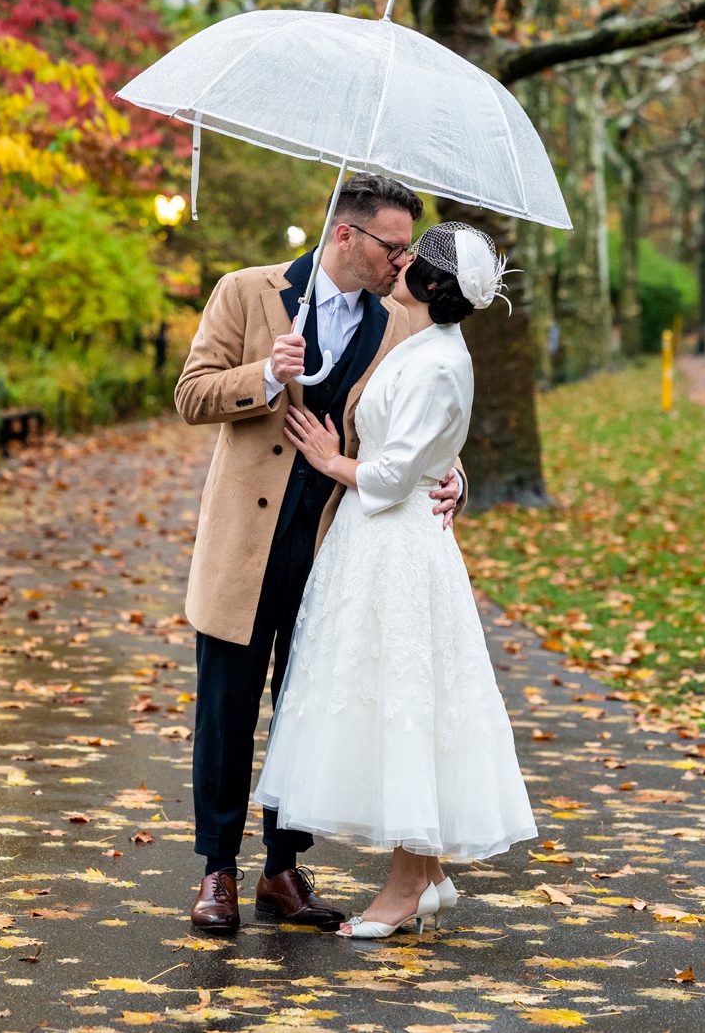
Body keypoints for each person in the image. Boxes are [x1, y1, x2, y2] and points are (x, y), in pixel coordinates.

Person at [173, 174, 464, 932]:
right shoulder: (245, 292)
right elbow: (191, 392)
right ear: (345, 233)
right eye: (392, 246)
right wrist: (267, 372)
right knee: (227, 706)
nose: (403, 262)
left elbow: (418, 424)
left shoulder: (398, 324)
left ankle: (281, 868)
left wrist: (451, 470)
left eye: (407, 249)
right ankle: (216, 871)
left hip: (335, 542)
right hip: (245, 538)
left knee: (303, 705)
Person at [257, 223, 537, 937]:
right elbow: (426, 452)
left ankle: (407, 884)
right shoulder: (417, 342)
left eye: (418, 255)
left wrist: (328, 459)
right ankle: (430, 875)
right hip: (375, 542)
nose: (403, 258)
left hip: (399, 544)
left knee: (407, 704)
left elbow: (390, 474)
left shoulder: (440, 361)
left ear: (435, 284)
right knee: (385, 698)